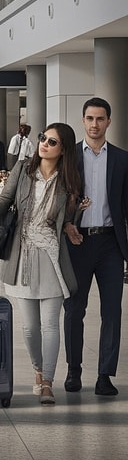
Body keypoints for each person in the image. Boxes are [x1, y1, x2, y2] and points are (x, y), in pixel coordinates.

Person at [0, 122, 83, 404]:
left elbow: (70, 218)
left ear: (63, 150)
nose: (44, 144)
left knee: (51, 323)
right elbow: (5, 198)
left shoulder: (68, 180)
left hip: (52, 255)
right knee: (29, 327)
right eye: (43, 138)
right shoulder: (24, 168)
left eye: (52, 142)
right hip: (22, 254)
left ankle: (48, 382)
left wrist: (72, 224)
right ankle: (38, 371)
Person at [63, 97, 128, 395]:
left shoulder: (122, 159)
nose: (94, 124)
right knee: (75, 309)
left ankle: (105, 375)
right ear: (83, 120)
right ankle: (73, 372)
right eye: (89, 118)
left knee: (112, 311)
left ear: (109, 122)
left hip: (111, 244)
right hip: (77, 243)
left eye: (100, 119)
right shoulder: (69, 157)